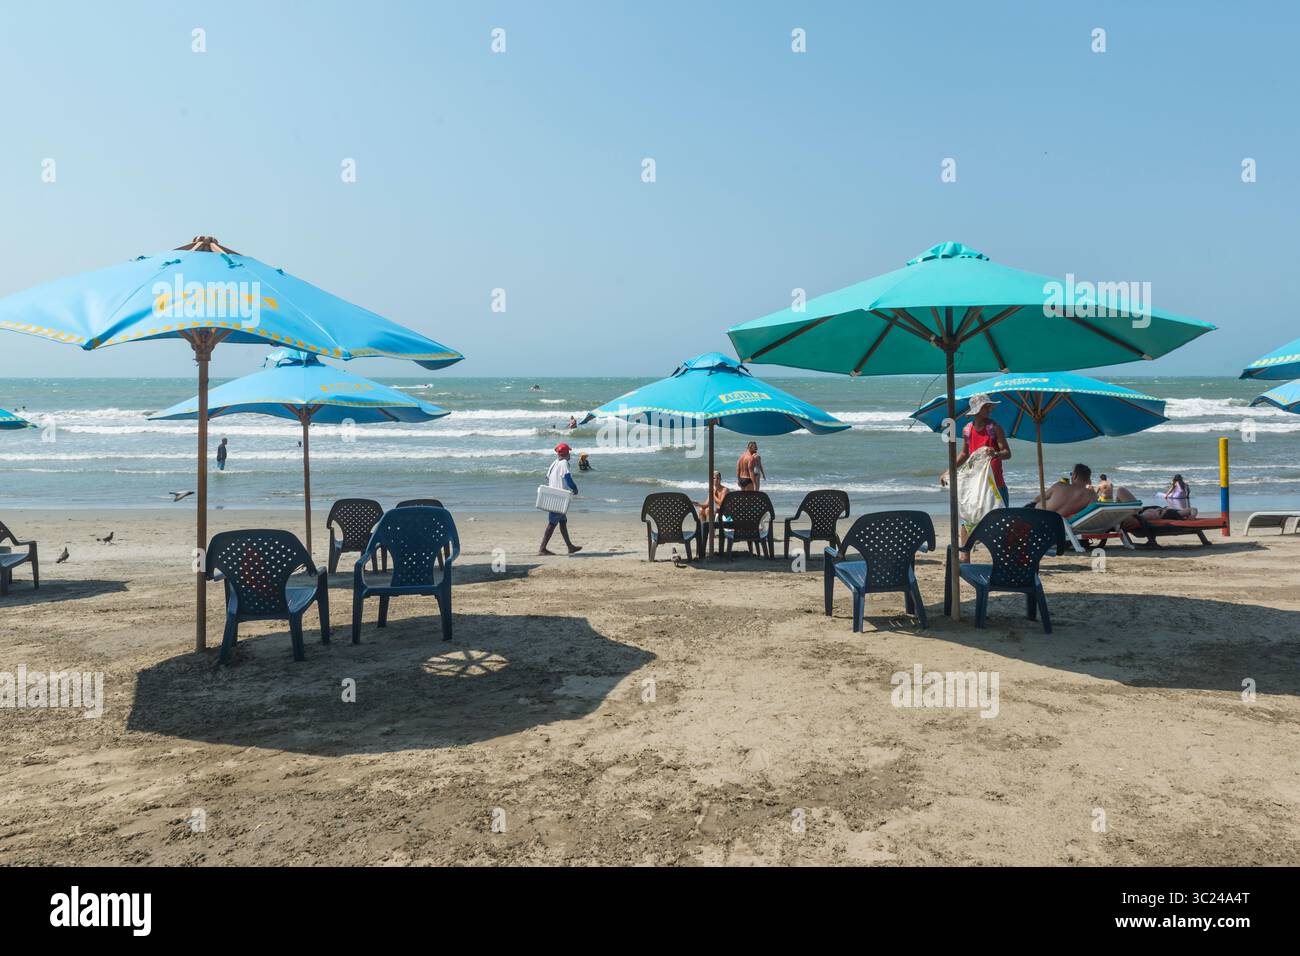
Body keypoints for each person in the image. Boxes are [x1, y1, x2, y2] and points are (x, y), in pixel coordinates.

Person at [539, 443, 582, 556]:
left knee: (563, 521)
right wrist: (575, 488)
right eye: (569, 452)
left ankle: (570, 547)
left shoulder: (554, 463)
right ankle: (542, 548)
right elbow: (568, 478)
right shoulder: (564, 463)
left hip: (553, 495)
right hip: (559, 497)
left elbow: (547, 478)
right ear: (566, 453)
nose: (570, 454)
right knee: (552, 523)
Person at [1033, 463, 1097, 518]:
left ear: (1075, 476)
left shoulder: (1059, 486)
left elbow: (1037, 499)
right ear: (1089, 479)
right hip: (1057, 523)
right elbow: (1089, 515)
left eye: (1071, 474)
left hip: (1035, 514)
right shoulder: (1091, 495)